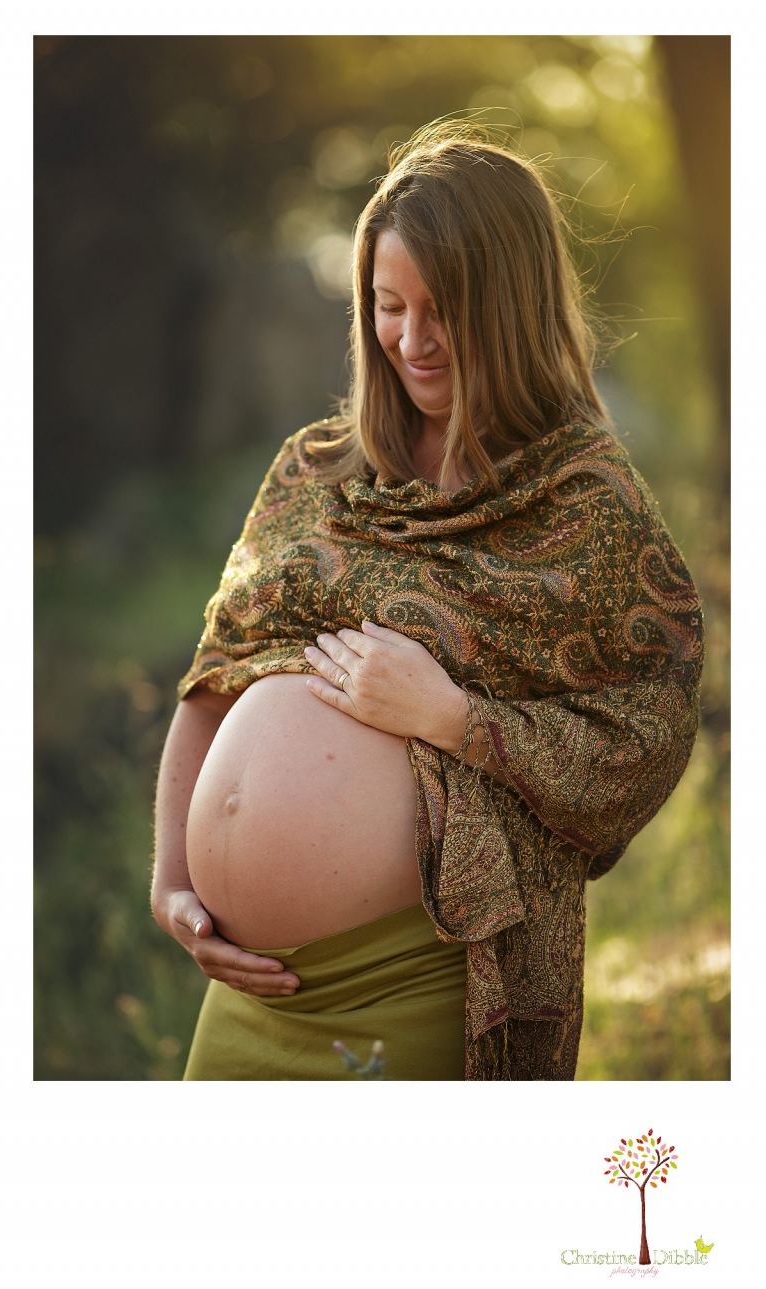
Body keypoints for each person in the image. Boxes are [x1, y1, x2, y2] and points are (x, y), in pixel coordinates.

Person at [151, 121, 704, 1080]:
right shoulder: (316, 471)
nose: (411, 340)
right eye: (387, 305)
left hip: (412, 984)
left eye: (442, 308)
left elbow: (643, 737)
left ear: (515, 302)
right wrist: (171, 880)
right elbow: (217, 675)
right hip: (243, 994)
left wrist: (456, 719)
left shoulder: (585, 502)